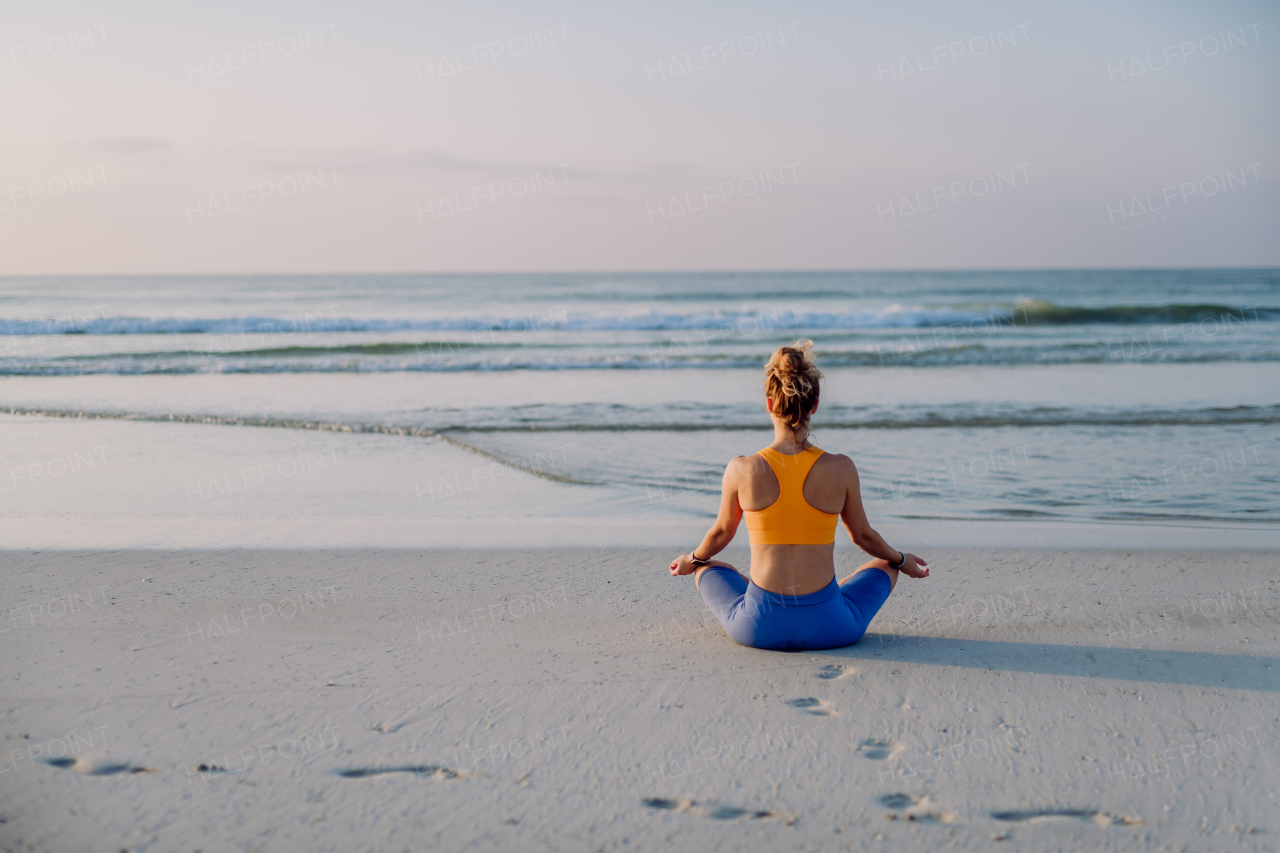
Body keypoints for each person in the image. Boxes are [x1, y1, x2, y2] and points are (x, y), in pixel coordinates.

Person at [669, 340, 928, 651]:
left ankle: (757, 591)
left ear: (769, 404)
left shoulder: (742, 469)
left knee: (707, 567)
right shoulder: (840, 468)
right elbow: (863, 537)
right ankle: (830, 598)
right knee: (886, 565)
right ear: (815, 405)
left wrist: (691, 559)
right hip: (833, 629)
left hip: (757, 628)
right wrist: (902, 560)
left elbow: (722, 533)